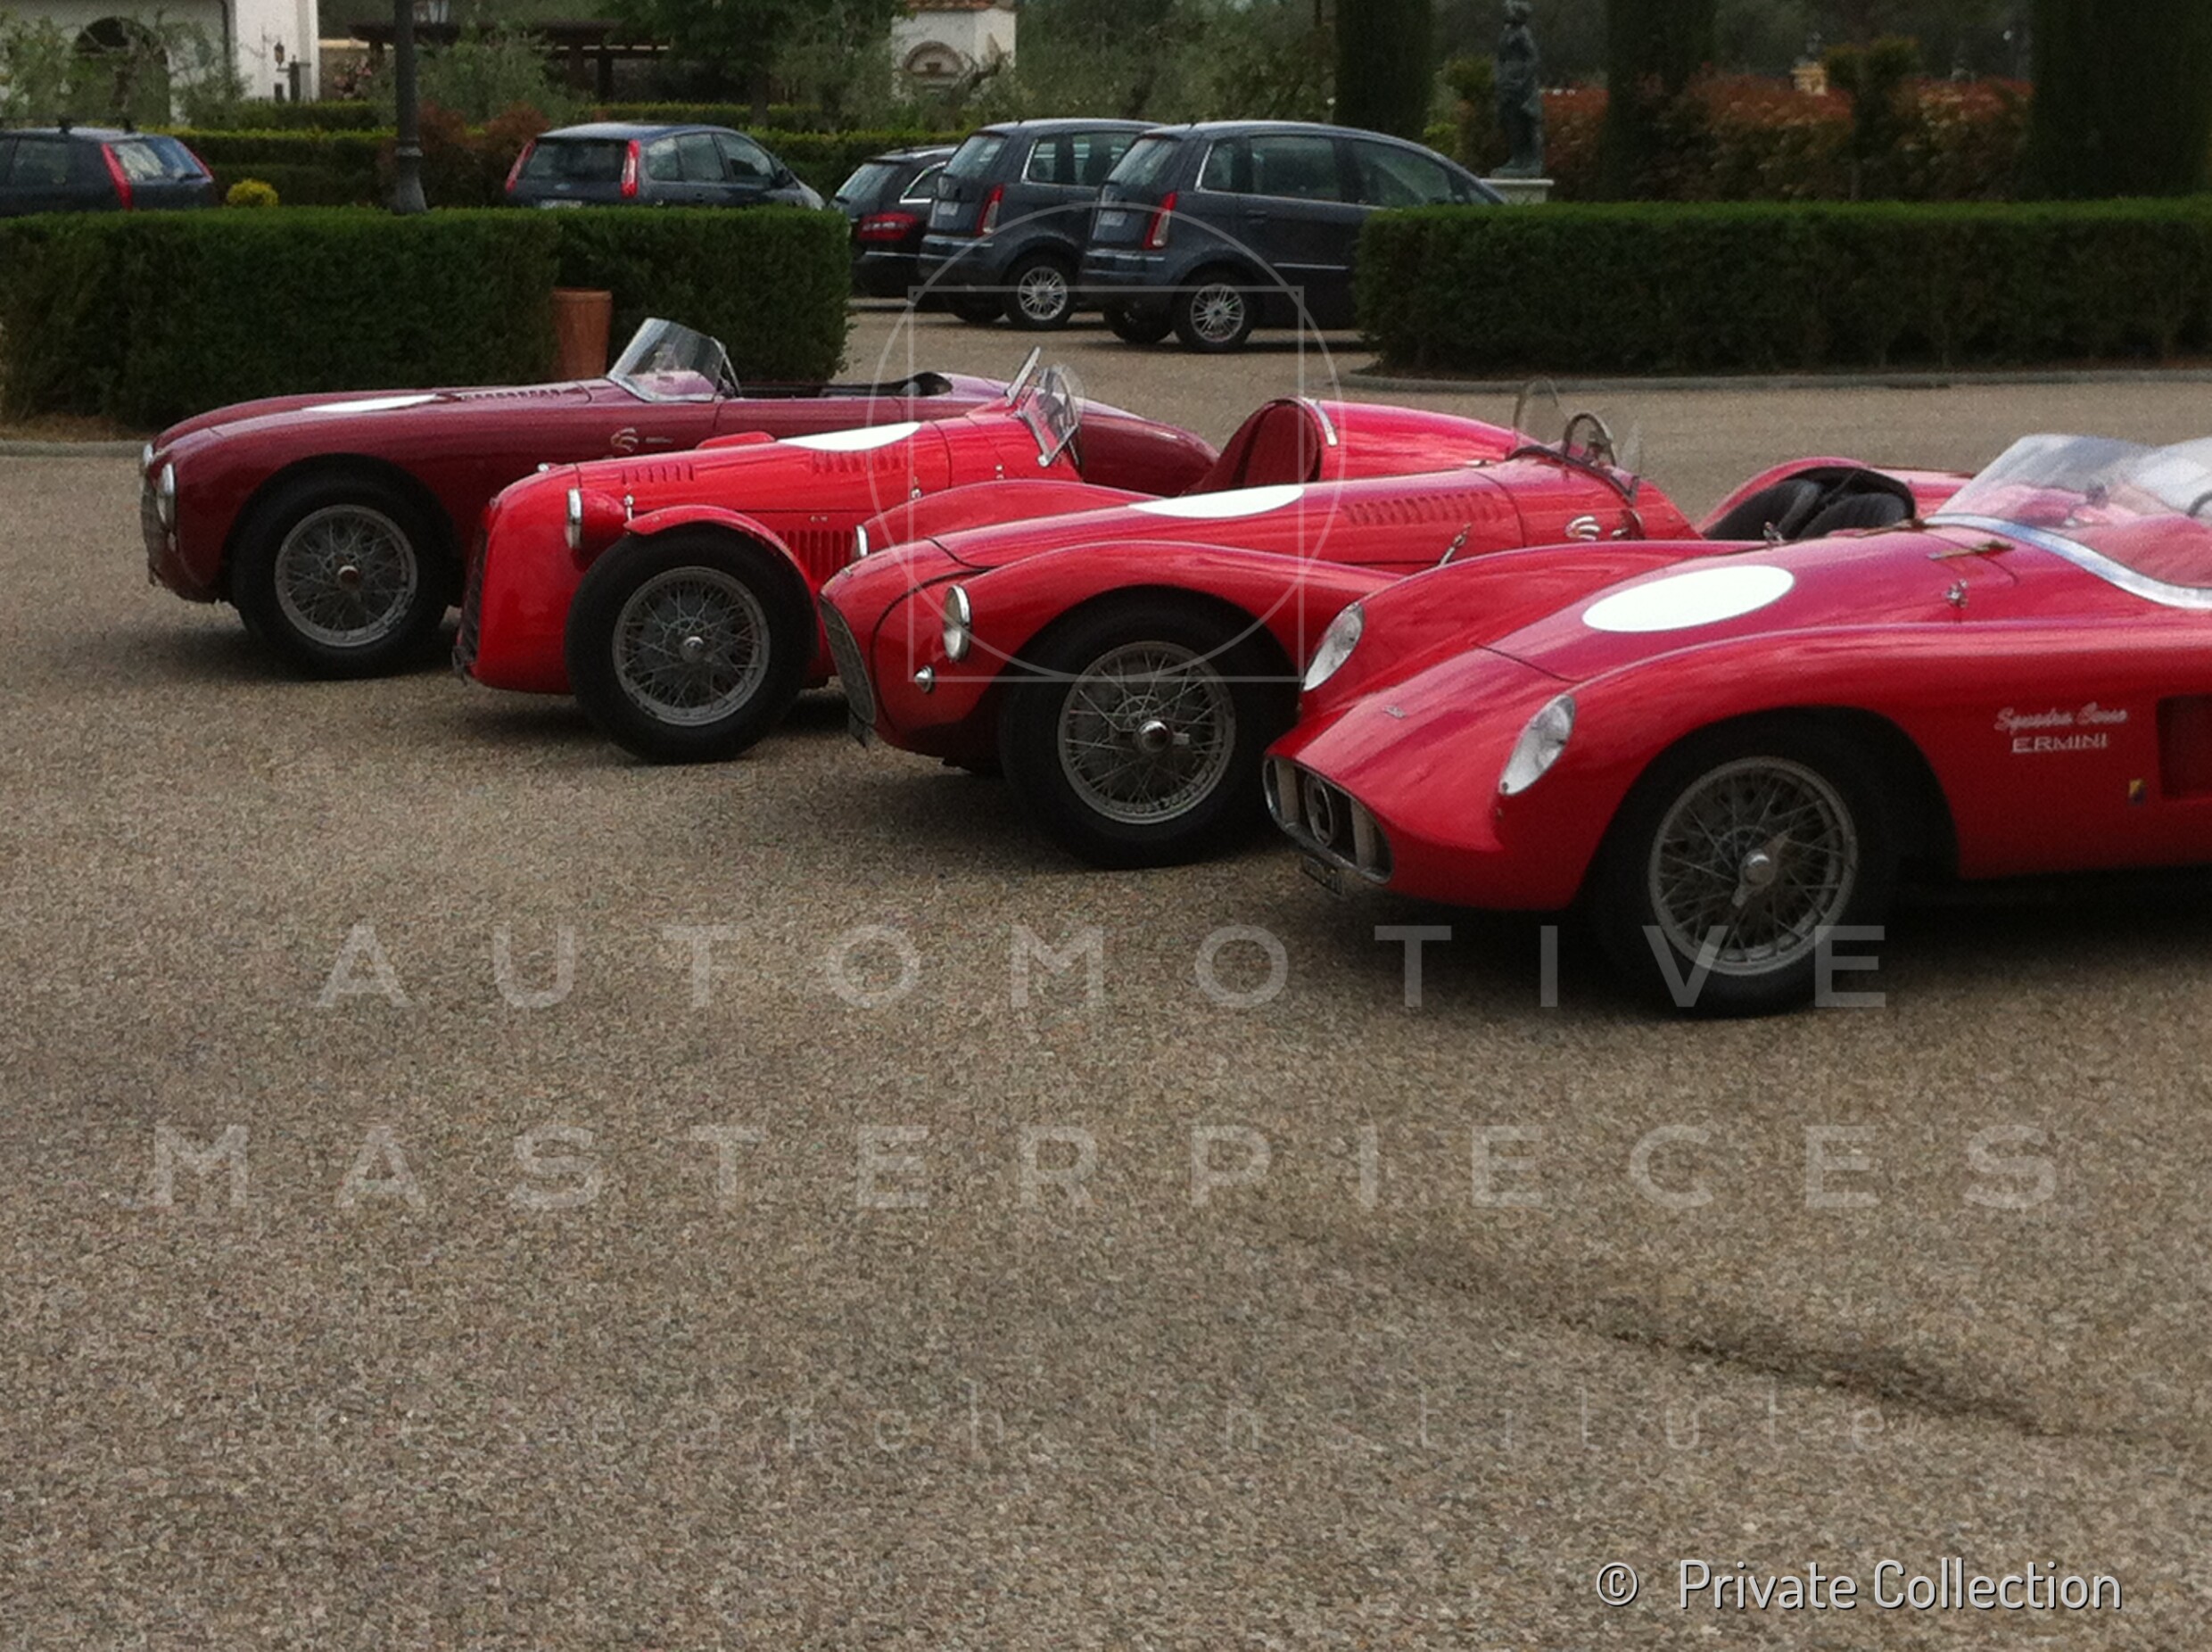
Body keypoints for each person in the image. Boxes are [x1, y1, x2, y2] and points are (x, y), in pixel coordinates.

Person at [1496, 0, 1545, 178]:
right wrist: (1500, 78)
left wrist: (1523, 80)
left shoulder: (1523, 34)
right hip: (1507, 84)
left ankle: (1534, 161)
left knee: (1528, 122)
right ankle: (1517, 158)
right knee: (1512, 123)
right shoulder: (1506, 33)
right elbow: (1500, 59)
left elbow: (1533, 58)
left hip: (1523, 87)